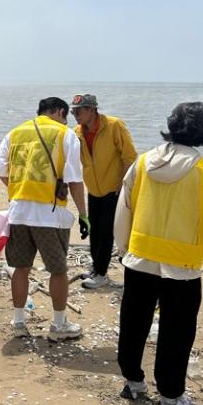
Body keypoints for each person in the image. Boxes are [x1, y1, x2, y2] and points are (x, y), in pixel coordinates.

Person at [115, 102, 203, 405]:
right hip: (181, 267)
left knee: (133, 322)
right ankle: (170, 397)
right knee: (177, 331)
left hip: (140, 258)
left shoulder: (143, 163)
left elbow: (124, 208)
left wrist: (123, 248)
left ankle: (132, 382)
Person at [0, 97, 89, 341]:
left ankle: (19, 322)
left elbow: (1, 171)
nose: (66, 121)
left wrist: (21, 190)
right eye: (65, 116)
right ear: (59, 111)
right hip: (50, 215)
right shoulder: (65, 135)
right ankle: (58, 326)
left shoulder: (14, 133)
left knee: (20, 268)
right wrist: (84, 215)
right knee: (58, 270)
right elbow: (75, 181)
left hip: (19, 212)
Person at [71, 93, 137, 289]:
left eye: (79, 110)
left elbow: (130, 156)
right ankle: (95, 268)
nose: (76, 114)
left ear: (92, 109)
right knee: (94, 230)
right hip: (93, 189)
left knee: (107, 232)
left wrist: (122, 184)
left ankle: (101, 273)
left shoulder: (114, 126)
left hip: (113, 190)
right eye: (73, 111)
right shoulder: (77, 132)